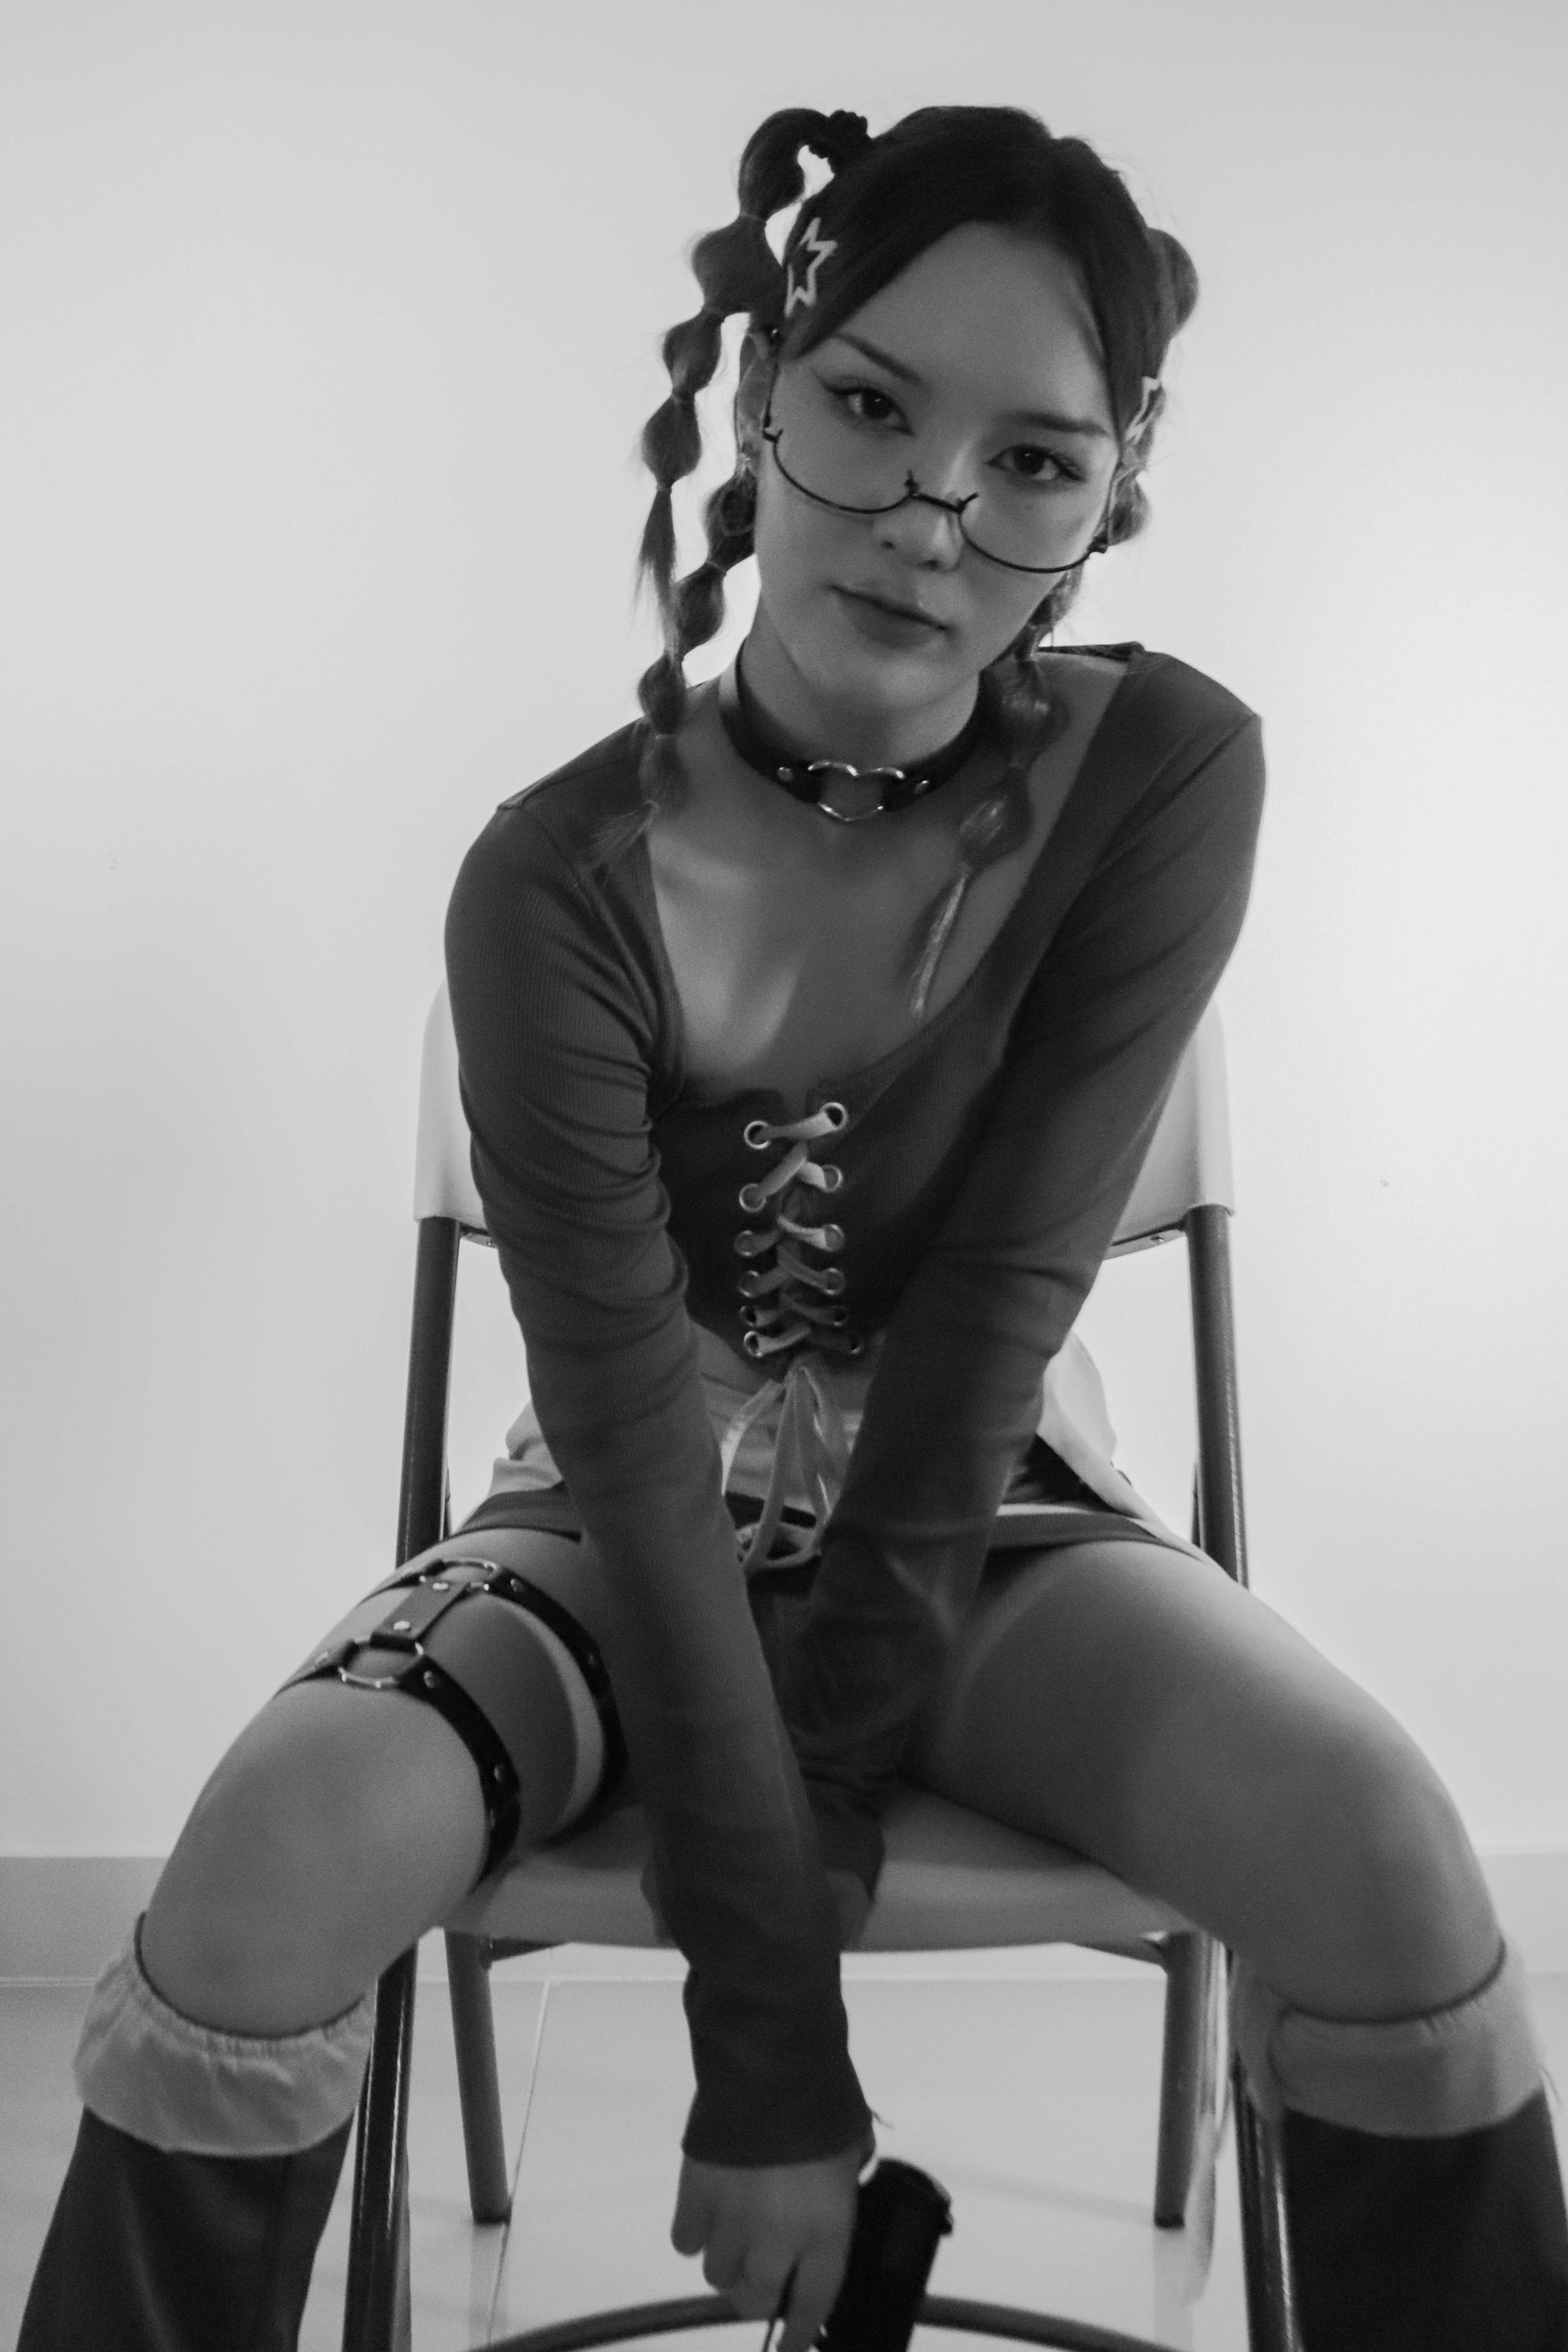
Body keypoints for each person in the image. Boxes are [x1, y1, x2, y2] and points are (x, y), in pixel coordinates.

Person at [19, 103, 1568, 2352]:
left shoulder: (1164, 775)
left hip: (993, 1516)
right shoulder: (551, 878)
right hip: (606, 1531)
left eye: (1030, 463)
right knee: (270, 1853)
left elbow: (994, 1319)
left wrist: (811, 1814)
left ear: (1114, 493)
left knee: (1383, 1846)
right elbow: (633, 1448)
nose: (931, 520)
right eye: (867, 407)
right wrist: (773, 2044)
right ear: (761, 392)